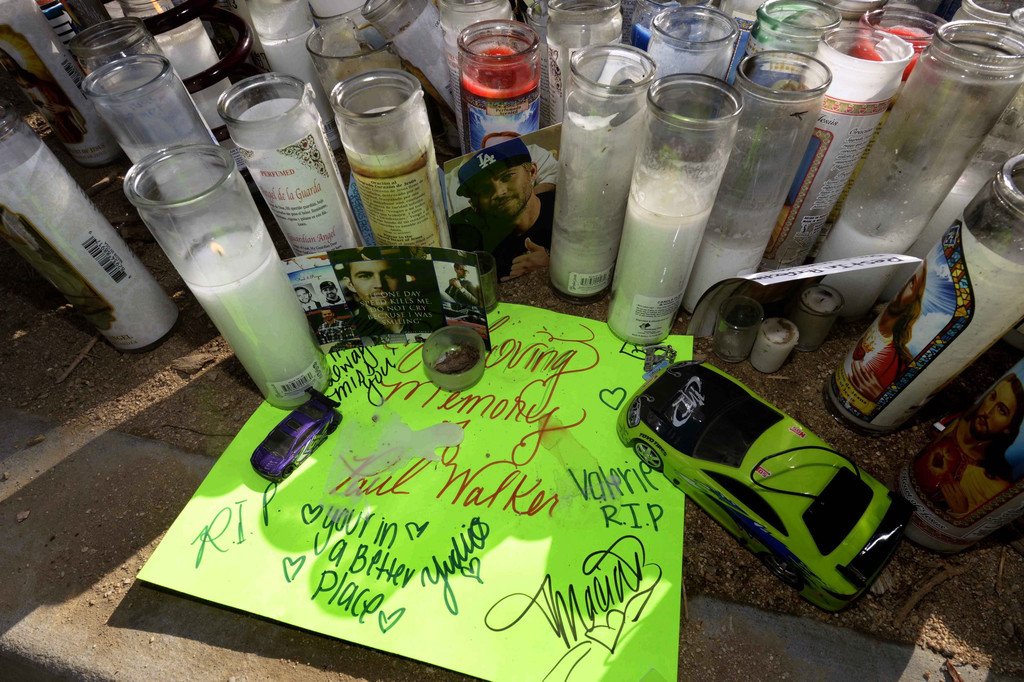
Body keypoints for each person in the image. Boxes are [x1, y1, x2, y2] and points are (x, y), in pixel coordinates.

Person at [913, 373, 1024, 516]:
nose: (988, 411)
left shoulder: (994, 483)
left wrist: (961, 511)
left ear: (1009, 427)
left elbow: (980, 518)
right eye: (992, 397)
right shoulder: (958, 425)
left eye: (1001, 410)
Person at [448, 138, 555, 281]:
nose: (499, 192)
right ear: (474, 203)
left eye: (507, 177)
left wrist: (551, 264)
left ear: (532, 171)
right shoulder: (473, 244)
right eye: (485, 189)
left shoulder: (566, 209)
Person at [846, 266, 926, 402]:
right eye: (910, 280)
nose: (906, 286)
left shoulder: (897, 357)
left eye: (913, 284)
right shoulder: (877, 328)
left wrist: (879, 396)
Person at [338, 258, 438, 337]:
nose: (379, 284)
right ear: (350, 284)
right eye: (365, 276)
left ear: (402, 278)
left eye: (388, 274)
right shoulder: (352, 331)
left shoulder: (434, 317)